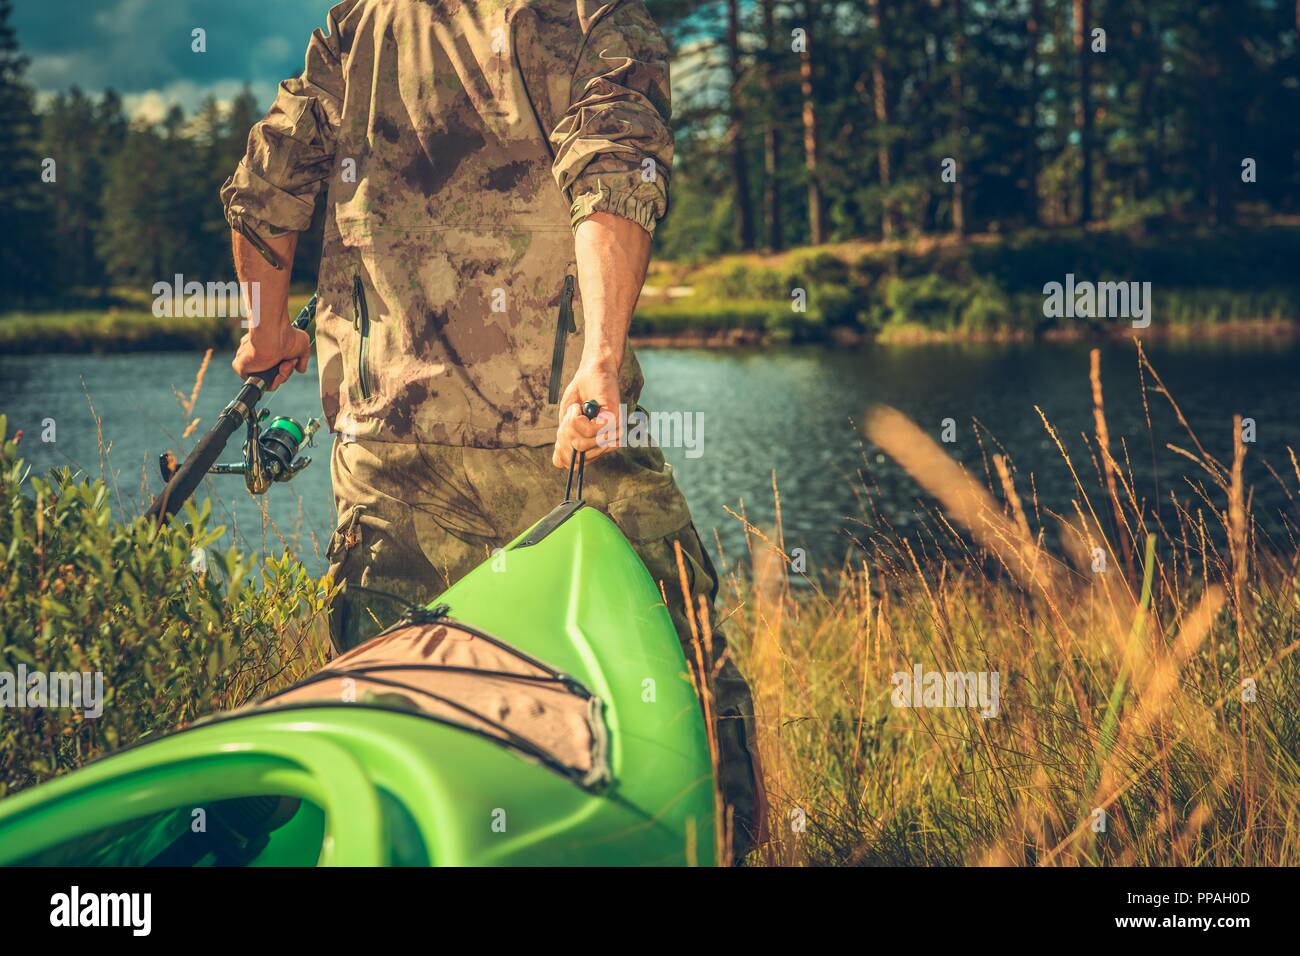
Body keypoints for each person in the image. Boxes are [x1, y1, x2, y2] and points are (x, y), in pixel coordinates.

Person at [219, 0, 764, 860]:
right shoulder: (588, 12)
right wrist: (602, 357)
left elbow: (268, 181)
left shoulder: (358, 23)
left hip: (384, 448)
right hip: (556, 444)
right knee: (682, 677)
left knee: (401, 717)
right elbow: (614, 163)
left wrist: (266, 329)